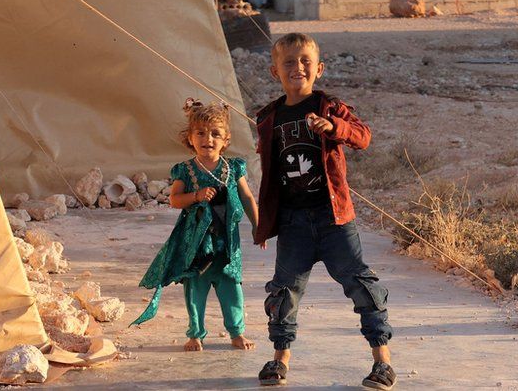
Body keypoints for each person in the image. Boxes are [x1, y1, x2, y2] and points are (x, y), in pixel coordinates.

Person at [255, 33, 395, 389]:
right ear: (275, 72)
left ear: (319, 68)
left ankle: (383, 363)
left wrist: (334, 128)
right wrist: (265, 224)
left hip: (334, 220)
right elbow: (270, 174)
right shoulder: (269, 117)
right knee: (284, 293)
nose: (297, 67)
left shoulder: (329, 106)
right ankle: (279, 360)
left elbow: (363, 136)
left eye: (305, 61)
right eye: (288, 62)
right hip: (292, 224)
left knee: (362, 287)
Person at [131, 98, 262, 351]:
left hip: (226, 247)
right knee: (195, 292)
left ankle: (236, 333)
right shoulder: (186, 170)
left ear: (226, 139)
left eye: (215, 133)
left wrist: (258, 226)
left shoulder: (234, 168)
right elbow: (175, 200)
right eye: (200, 133)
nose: (208, 139)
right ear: (190, 137)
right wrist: (196, 196)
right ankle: (195, 334)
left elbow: (246, 197)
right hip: (196, 247)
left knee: (232, 290)